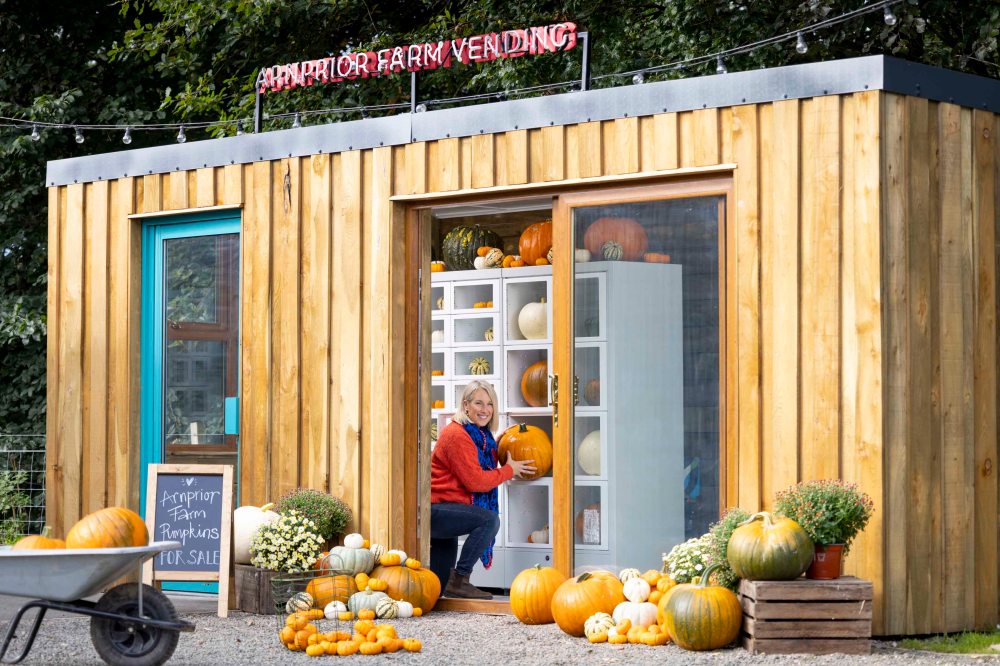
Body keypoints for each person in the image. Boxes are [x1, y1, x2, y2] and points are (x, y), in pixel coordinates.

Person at [430, 380, 536, 599]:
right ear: (466, 405)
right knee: (488, 520)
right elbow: (475, 481)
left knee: (438, 590)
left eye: (490, 404)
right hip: (437, 510)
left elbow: (477, 460)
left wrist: (504, 441)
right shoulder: (457, 436)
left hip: (449, 508)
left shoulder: (478, 435)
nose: (485, 409)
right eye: (479, 403)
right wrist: (509, 470)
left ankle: (450, 586)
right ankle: (461, 579)